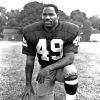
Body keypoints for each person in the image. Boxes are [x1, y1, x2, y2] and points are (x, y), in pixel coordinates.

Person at [22, 4, 79, 100]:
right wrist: (28, 84)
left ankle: (71, 98)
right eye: (44, 14)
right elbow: (30, 61)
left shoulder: (70, 30)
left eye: (51, 14)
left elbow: (70, 58)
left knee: (71, 71)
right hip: (45, 71)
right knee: (42, 98)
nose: (47, 17)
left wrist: (49, 68)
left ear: (58, 16)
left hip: (62, 69)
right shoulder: (30, 31)